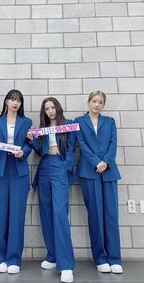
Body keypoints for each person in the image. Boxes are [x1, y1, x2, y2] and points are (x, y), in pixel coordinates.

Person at [27, 97, 76, 283]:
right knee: (46, 212)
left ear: (58, 107)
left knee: (59, 212)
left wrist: (66, 166)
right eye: (46, 108)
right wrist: (31, 140)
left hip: (59, 166)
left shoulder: (69, 124)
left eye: (52, 106)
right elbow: (39, 150)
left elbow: (71, 149)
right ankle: (52, 256)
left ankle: (66, 265)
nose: (50, 110)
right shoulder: (42, 128)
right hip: (45, 166)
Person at [74, 91, 123, 274]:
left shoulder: (110, 122)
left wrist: (105, 162)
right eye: (94, 101)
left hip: (109, 171)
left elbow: (113, 144)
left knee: (111, 215)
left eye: (100, 102)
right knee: (95, 215)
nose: (97, 104)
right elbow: (82, 145)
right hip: (89, 172)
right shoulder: (78, 121)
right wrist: (96, 162)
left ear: (103, 105)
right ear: (88, 102)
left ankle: (115, 258)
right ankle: (100, 258)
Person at [0, 89, 32, 274]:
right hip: (0, 170)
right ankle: (0, 257)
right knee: (1, 214)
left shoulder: (27, 122)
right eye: (12, 100)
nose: (15, 103)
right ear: (6, 102)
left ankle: (14, 258)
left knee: (17, 214)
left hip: (19, 171)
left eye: (19, 101)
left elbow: (29, 144)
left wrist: (24, 151)